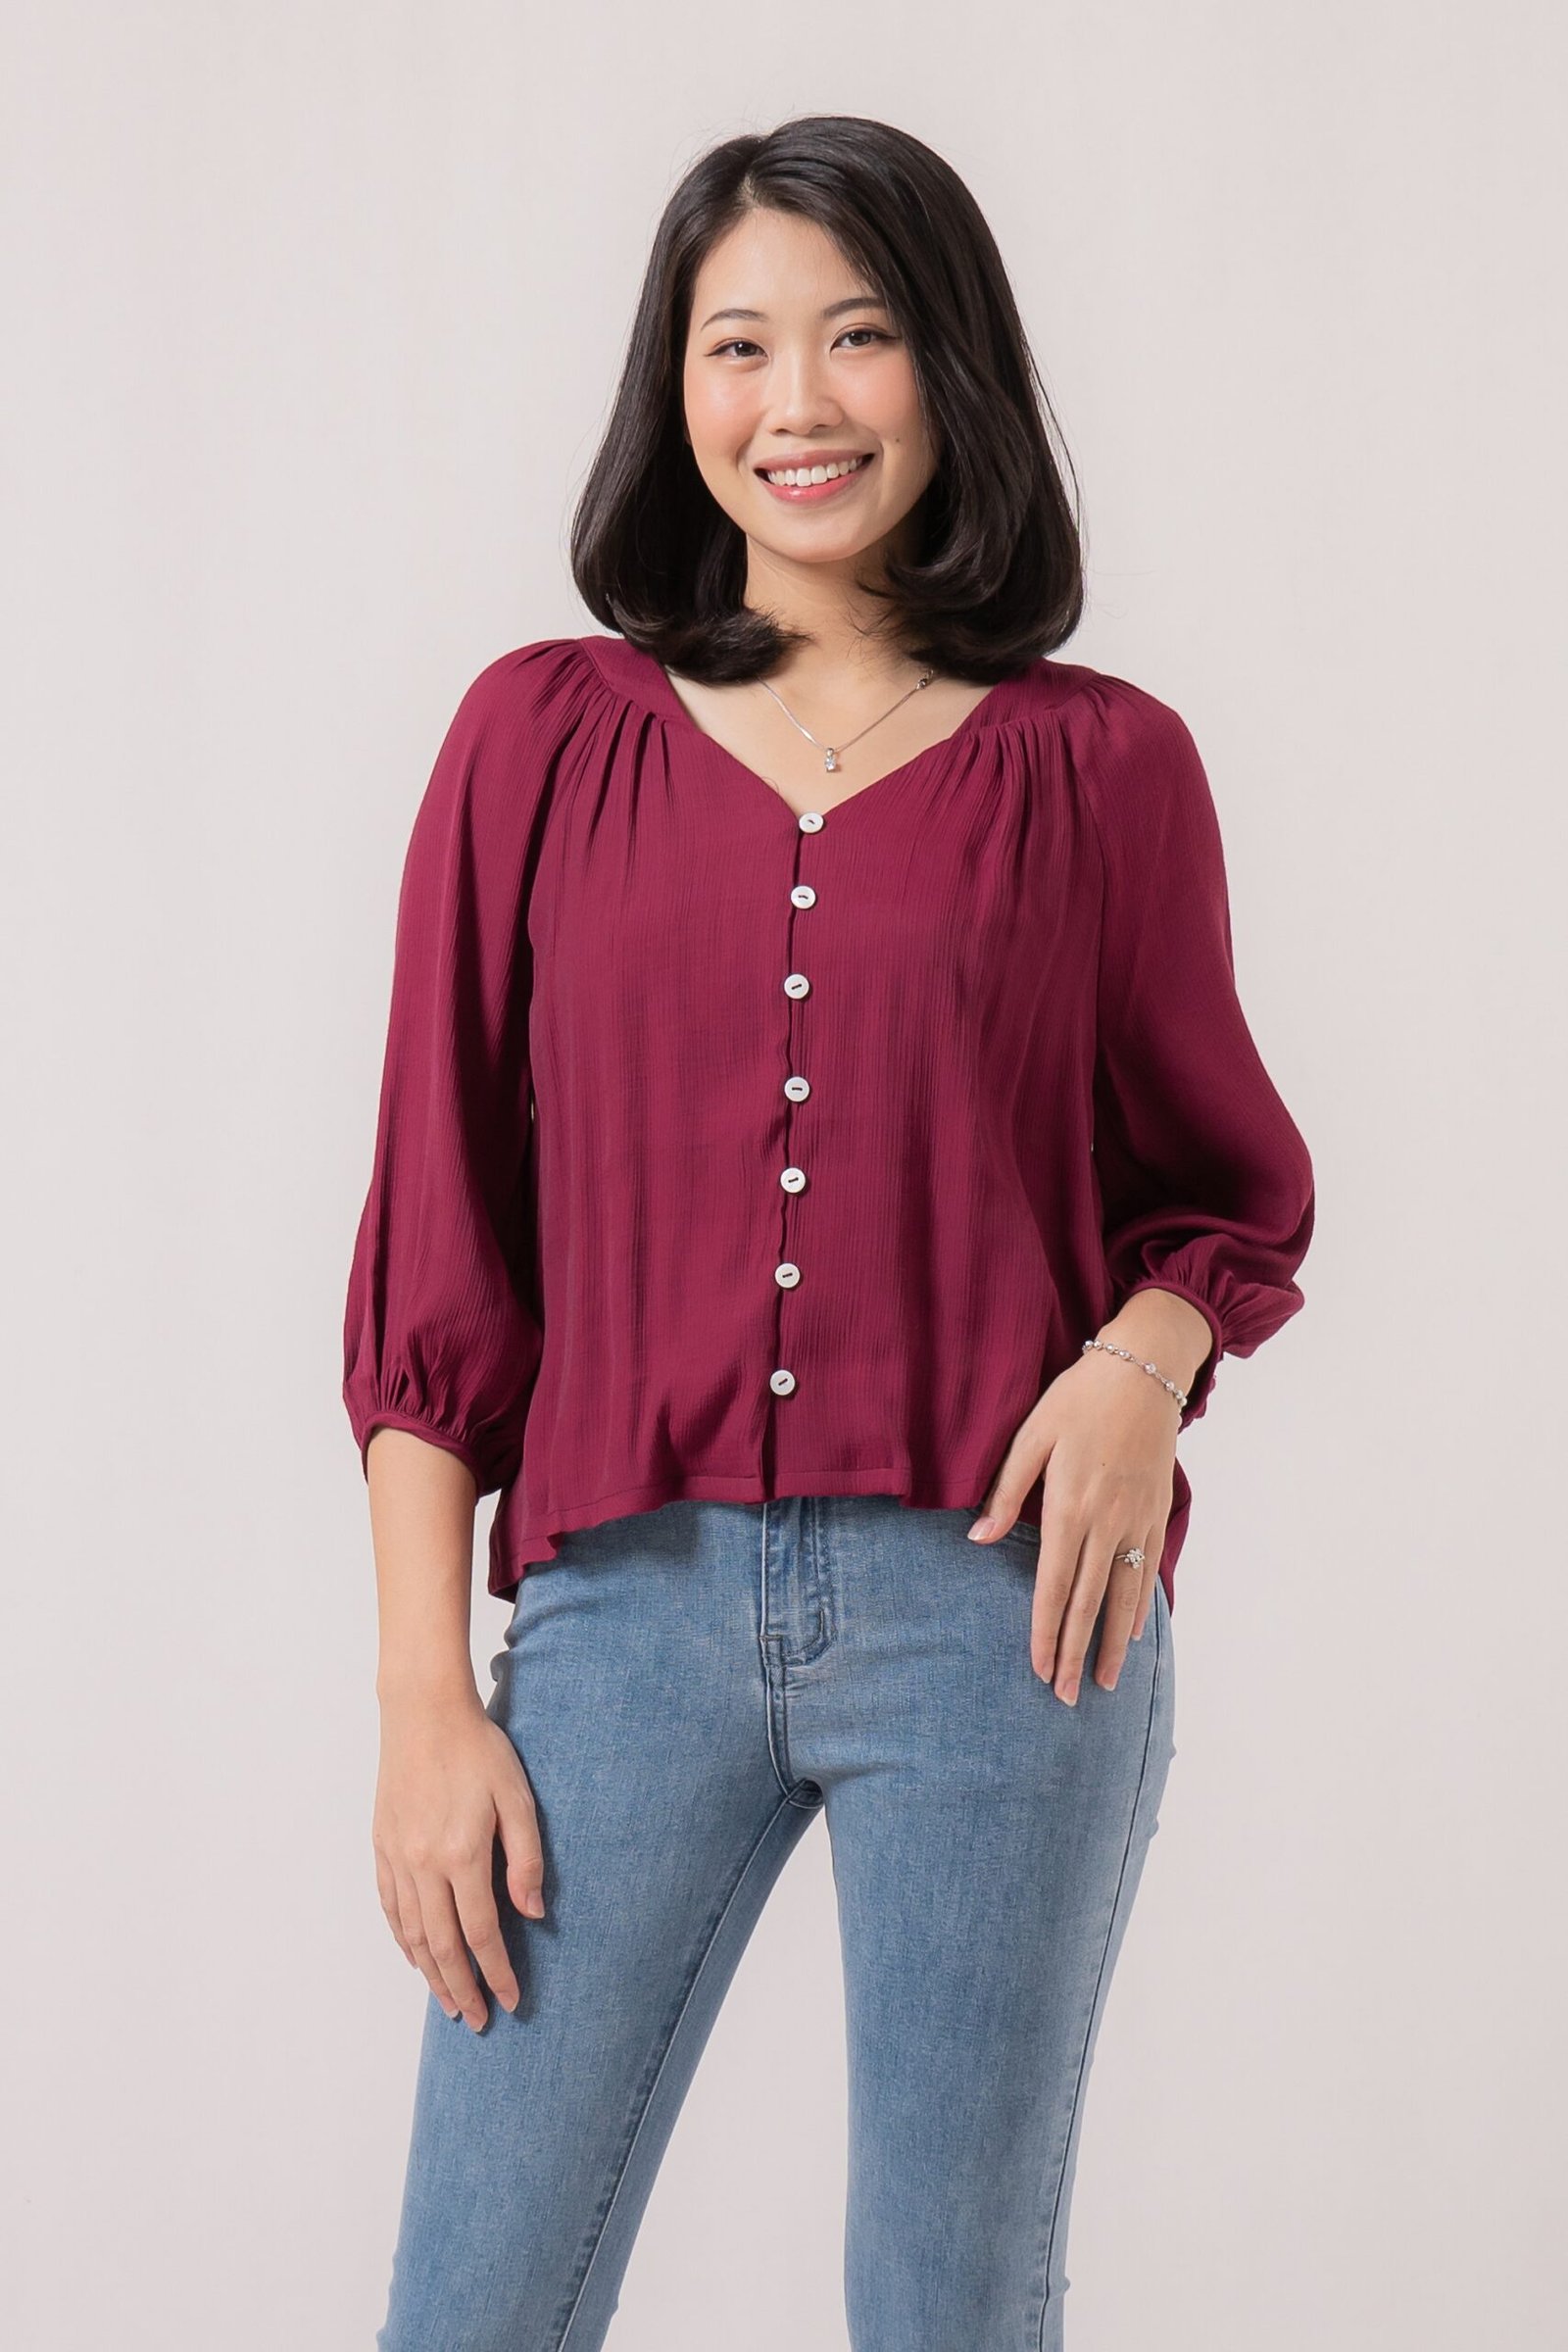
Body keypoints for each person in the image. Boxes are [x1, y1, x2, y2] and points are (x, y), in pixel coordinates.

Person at [341, 113, 1315, 2352]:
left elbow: (1217, 1187)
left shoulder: (1102, 773)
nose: (796, 402)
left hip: (1003, 1623)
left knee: (946, 2305)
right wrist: (420, 1701)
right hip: (616, 1625)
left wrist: (1138, 1362)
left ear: (945, 370)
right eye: (737, 344)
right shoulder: (536, 742)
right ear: (673, 386)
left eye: (856, 336)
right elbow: (436, 1251)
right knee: (473, 2309)